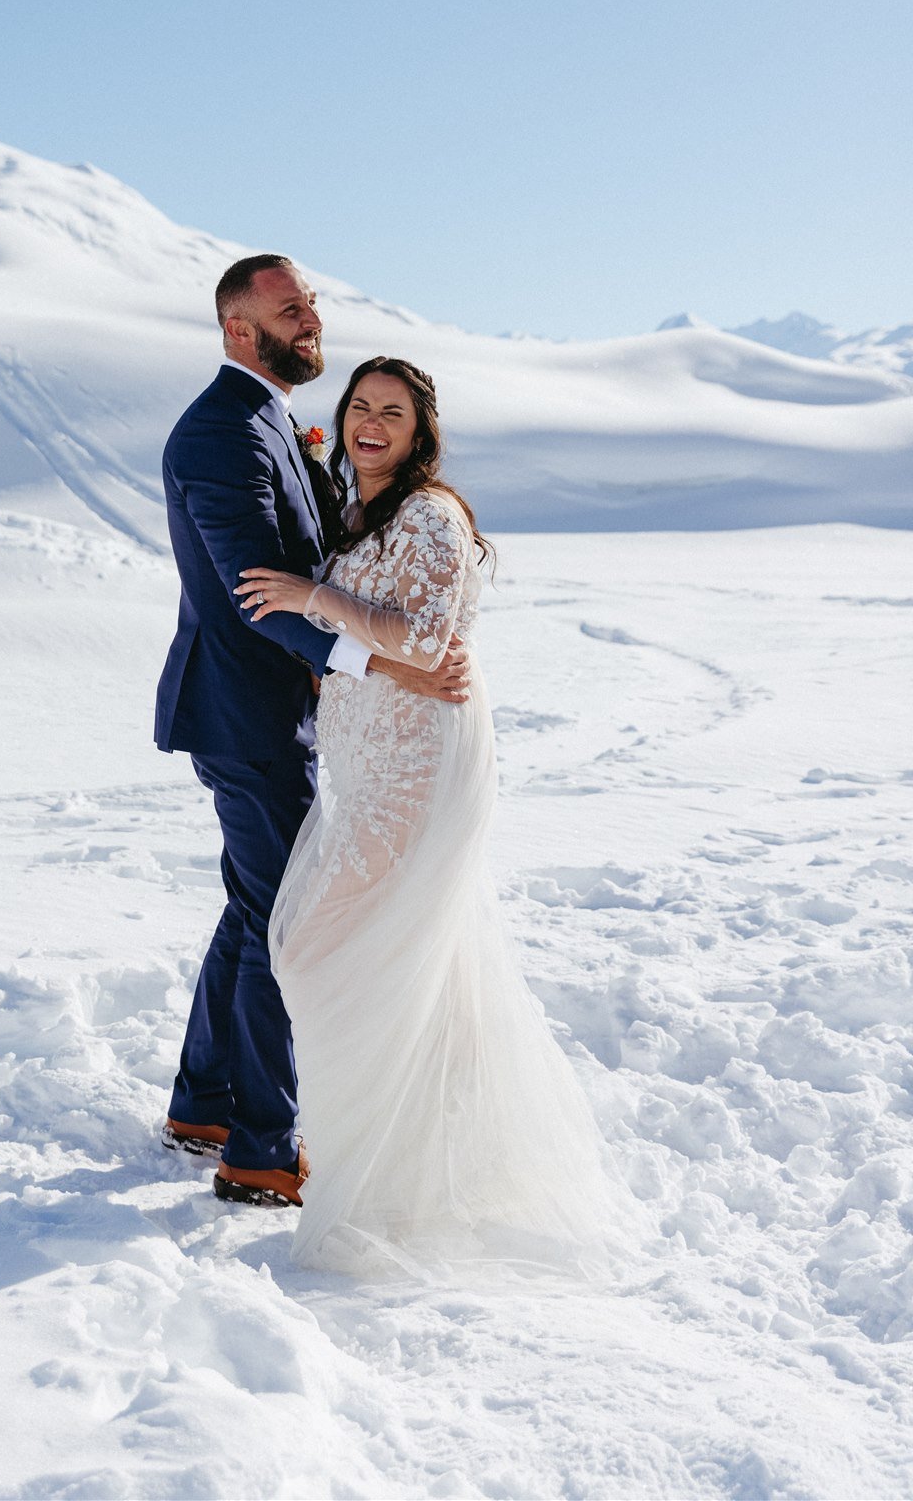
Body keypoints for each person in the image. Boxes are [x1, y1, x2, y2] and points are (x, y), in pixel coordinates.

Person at [239, 355, 635, 1279]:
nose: (372, 425)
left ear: (421, 436)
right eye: (361, 408)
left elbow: (425, 639)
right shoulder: (357, 510)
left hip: (419, 767)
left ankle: (370, 1174)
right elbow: (389, 643)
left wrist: (310, 598)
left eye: (394, 414)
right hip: (373, 763)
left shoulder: (429, 514)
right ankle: (408, 1164)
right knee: (402, 958)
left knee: (315, 949)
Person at [154, 259, 471, 1208]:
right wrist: (389, 664)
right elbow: (262, 593)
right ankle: (259, 1147)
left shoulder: (267, 423)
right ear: (240, 328)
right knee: (282, 917)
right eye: (292, 309)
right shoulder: (220, 432)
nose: (312, 319)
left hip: (273, 713)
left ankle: (205, 1101)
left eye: (313, 304)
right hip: (243, 714)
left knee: (257, 903)